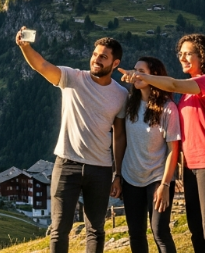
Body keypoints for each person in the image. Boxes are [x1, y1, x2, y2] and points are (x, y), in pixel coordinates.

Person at [16, 27, 128, 253]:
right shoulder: (72, 77)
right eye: (95, 54)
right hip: (67, 164)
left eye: (103, 57)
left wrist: (118, 174)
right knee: (59, 228)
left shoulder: (121, 95)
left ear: (115, 64)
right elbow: (42, 66)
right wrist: (25, 47)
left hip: (101, 169)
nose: (96, 60)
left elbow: (119, 135)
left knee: (96, 229)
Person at [120, 34, 205, 253]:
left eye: (188, 53)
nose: (183, 57)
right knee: (196, 229)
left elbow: (170, 83)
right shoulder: (187, 94)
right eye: (180, 54)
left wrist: (140, 76)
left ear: (203, 55)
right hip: (191, 167)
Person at [117, 57, 180, 253]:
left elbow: (173, 150)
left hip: (156, 178)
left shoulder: (168, 109)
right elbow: (120, 139)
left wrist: (165, 184)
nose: (136, 74)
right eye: (135, 70)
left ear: (155, 76)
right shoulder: (129, 103)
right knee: (135, 233)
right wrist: (117, 175)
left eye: (141, 71)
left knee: (160, 231)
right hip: (130, 177)